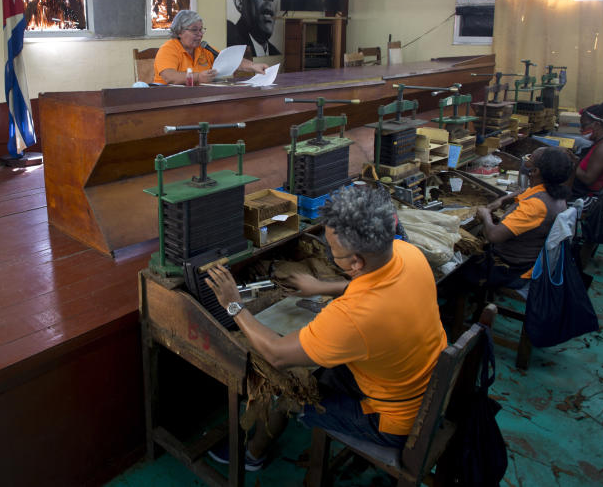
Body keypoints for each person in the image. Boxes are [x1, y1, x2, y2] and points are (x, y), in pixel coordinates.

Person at [203, 185, 447, 469]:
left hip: (393, 420)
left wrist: (234, 305)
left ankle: (253, 455)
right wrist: (322, 287)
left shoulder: (354, 317)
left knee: (287, 390)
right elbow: (370, 286)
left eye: (333, 252)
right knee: (318, 369)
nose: (330, 254)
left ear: (355, 262)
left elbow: (277, 354)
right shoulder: (408, 254)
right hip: (424, 383)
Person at [474, 146, 575, 289]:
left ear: (535, 171)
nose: (525, 160)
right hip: (529, 259)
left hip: (512, 268)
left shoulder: (536, 205)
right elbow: (524, 191)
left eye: (530, 158)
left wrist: (485, 215)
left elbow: (494, 236)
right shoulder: (554, 192)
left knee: (458, 271)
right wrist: (503, 200)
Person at [153, 10, 268, 85]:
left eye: (201, 29)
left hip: (199, 99)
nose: (200, 34)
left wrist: (254, 66)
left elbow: (230, 61)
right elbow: (170, 77)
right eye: (194, 30)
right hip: (170, 100)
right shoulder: (168, 49)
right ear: (179, 32)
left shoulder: (204, 49)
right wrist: (198, 77)